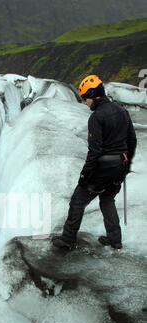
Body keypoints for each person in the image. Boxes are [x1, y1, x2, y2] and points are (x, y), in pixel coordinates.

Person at [52, 74, 137, 250]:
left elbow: (95, 151)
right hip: (120, 164)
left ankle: (68, 238)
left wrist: (85, 175)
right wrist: (126, 166)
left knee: (78, 200)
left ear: (92, 95)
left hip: (104, 167)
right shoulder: (122, 111)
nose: (85, 103)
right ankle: (115, 239)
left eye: (85, 98)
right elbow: (132, 140)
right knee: (107, 199)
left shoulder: (97, 117)